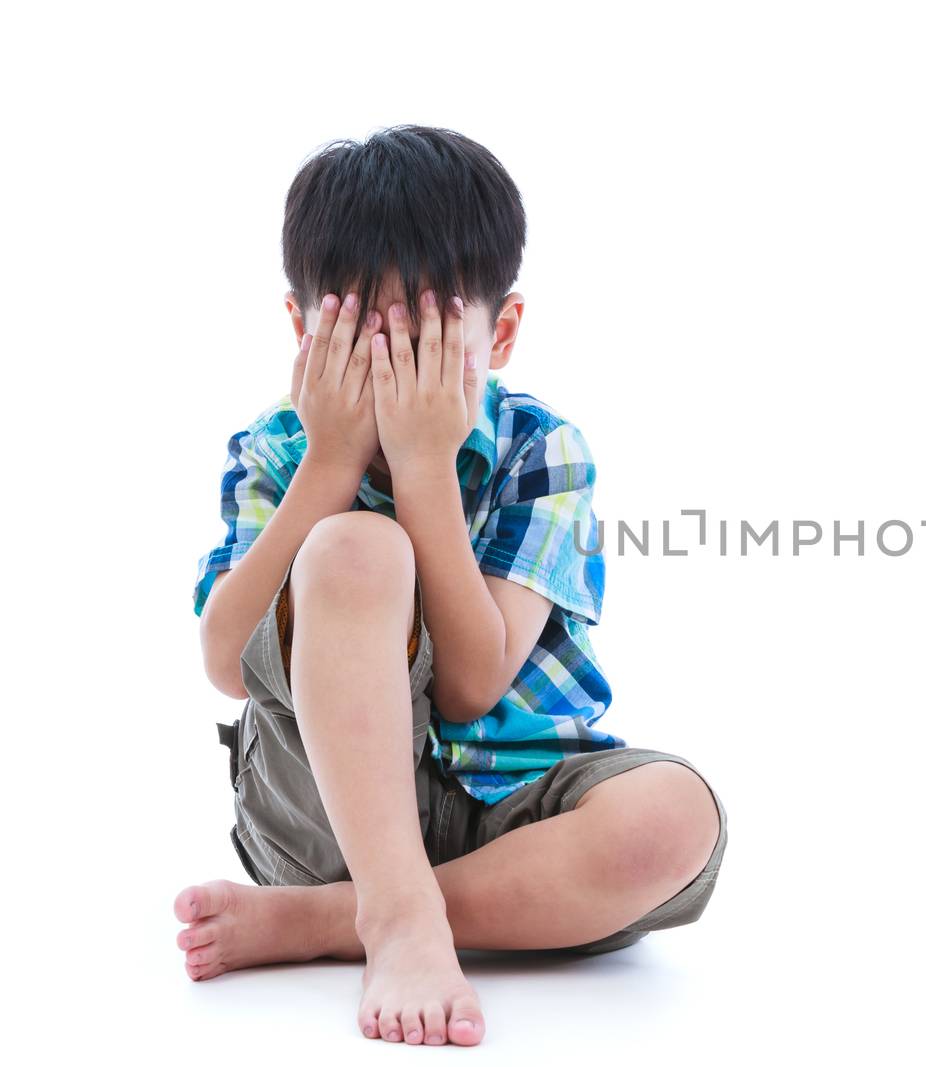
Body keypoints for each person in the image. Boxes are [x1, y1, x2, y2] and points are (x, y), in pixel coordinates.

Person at [176, 125, 727, 1048]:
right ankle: (390, 913)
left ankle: (331, 920)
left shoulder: (539, 450)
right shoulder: (274, 448)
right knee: (355, 549)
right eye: (357, 337)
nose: (392, 373)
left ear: (499, 333)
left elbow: (476, 685)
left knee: (677, 816)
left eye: (425, 341)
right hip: (324, 818)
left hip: (514, 808)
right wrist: (329, 465)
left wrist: (426, 471)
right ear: (300, 331)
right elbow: (228, 666)